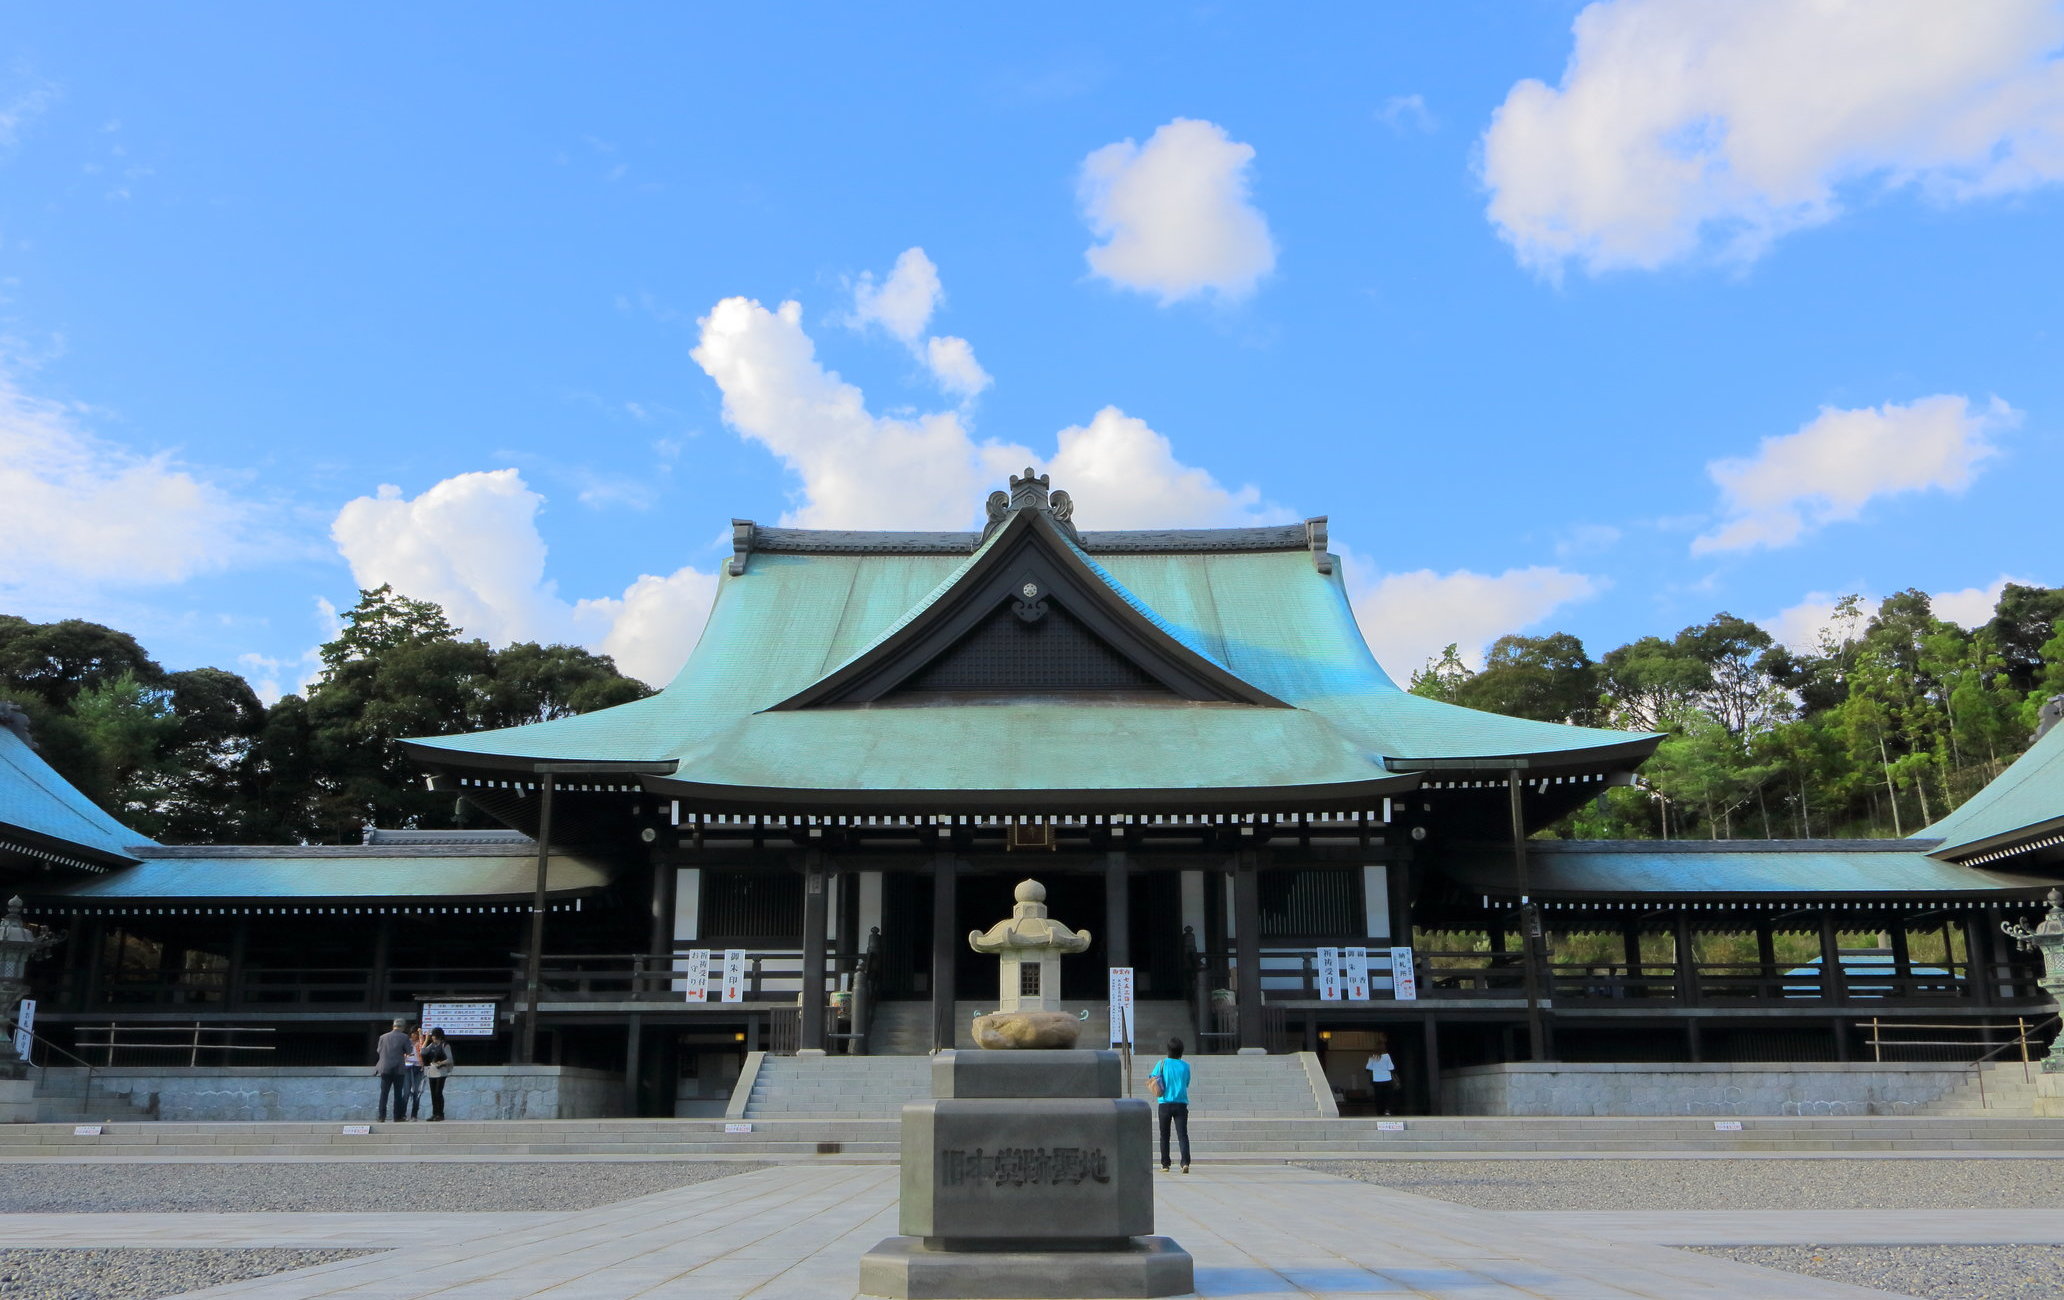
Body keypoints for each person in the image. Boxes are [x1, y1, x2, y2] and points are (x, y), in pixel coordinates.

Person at [1148, 1036, 1192, 1174]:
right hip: (1181, 1103)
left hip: (1165, 1103)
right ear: (1181, 1051)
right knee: (1182, 1134)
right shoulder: (1185, 1066)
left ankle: (1165, 1164)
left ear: (1168, 1050)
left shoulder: (1161, 1064)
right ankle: (1185, 1162)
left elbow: (1153, 1078)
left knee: (1164, 1135)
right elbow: (1187, 1083)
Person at [372, 1019, 410, 1122]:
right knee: (398, 1094)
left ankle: (381, 1116)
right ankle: (397, 1117)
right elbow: (409, 1051)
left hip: (385, 1068)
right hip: (398, 1068)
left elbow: (378, 1050)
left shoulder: (383, 1037)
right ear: (402, 1027)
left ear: (393, 1026)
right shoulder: (404, 1037)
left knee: (384, 1093)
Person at [420, 1026, 455, 1121]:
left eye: (434, 1036)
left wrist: (441, 1062)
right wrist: (426, 1040)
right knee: (433, 1094)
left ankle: (440, 1114)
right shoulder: (432, 1045)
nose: (433, 1037)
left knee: (438, 1092)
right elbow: (423, 1052)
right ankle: (434, 1113)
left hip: (441, 1071)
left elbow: (450, 1059)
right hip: (432, 1071)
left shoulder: (445, 1045)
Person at [401, 1023, 426, 1121]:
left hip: (418, 1067)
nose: (414, 1035)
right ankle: (403, 1114)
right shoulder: (406, 1042)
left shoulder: (420, 1042)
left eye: (415, 1033)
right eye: (412, 1033)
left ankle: (414, 1115)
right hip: (407, 1066)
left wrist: (421, 1033)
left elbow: (422, 1044)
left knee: (416, 1091)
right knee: (406, 1091)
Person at [1365, 1047, 1397, 1115]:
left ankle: (1379, 1112)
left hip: (1377, 1080)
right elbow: (1391, 1067)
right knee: (1388, 1096)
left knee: (1378, 1097)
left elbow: (1368, 1068)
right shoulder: (1387, 1056)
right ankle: (1387, 1110)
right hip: (1387, 1079)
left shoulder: (1372, 1057)